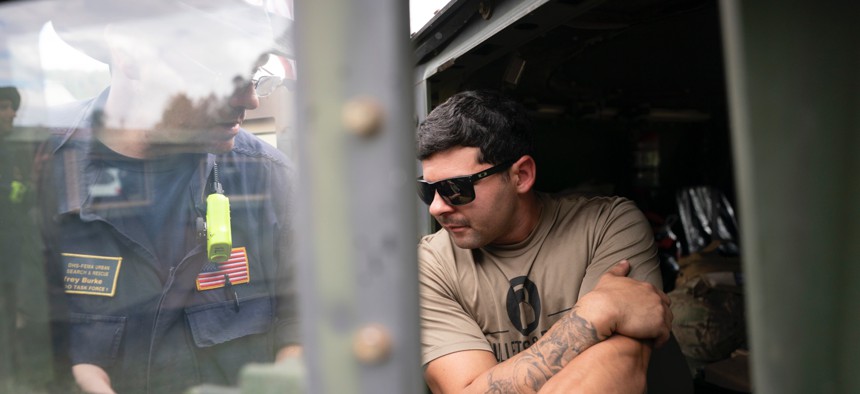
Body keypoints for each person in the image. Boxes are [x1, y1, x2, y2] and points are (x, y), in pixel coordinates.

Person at [35, 3, 299, 393]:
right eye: (229, 75)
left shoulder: (270, 179)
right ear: (131, 54)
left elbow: (307, 323)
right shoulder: (36, 169)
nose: (250, 100)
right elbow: (25, 335)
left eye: (256, 75)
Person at [416, 90, 689, 393]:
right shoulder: (431, 265)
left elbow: (612, 372)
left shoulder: (607, 224)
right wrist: (592, 316)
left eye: (455, 188)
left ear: (521, 175)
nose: (436, 207)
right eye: (428, 191)